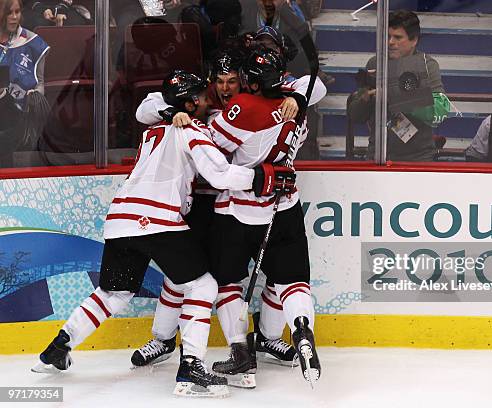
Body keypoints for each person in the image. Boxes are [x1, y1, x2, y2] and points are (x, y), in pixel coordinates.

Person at [31, 70, 296, 398]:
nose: (203, 101)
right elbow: (219, 174)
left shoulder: (152, 130)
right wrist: (262, 177)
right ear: (188, 103)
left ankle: (58, 348)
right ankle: (192, 369)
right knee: (203, 285)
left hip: (120, 219)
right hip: (155, 218)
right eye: (198, 97)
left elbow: (150, 106)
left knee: (113, 292)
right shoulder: (191, 130)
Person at [206, 47, 325, 388]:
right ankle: (302, 329)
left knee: (228, 282)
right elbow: (315, 86)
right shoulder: (295, 103)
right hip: (284, 207)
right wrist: (298, 99)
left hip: (239, 212)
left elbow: (211, 148)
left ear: (252, 84)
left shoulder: (244, 107)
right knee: (292, 280)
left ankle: (242, 354)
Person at [348, 10, 450, 162]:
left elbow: (439, 112)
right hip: (377, 156)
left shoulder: (427, 66)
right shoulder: (375, 63)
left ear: (414, 40)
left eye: (397, 37)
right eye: (388, 36)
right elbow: (356, 115)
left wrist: (398, 94)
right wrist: (364, 99)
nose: (390, 42)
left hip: (417, 159)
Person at [0, 0, 49, 110]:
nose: (14, 17)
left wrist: (35, 95)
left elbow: (40, 82)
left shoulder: (34, 43)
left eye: (17, 12)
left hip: (21, 116)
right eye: (8, 13)